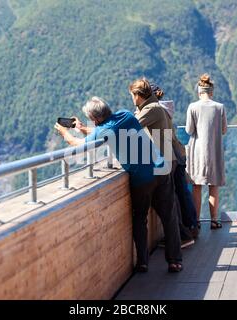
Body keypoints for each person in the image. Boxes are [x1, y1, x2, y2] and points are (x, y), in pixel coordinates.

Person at [54, 96, 183, 273]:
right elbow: (103, 132)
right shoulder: (126, 115)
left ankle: (143, 262)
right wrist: (82, 127)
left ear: (95, 118)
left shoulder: (103, 131)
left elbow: (77, 144)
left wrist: (64, 132)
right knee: (169, 217)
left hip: (141, 179)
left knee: (140, 218)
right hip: (161, 169)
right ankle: (175, 261)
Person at [129, 78, 196, 248]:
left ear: (138, 95)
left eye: (132, 95)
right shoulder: (159, 109)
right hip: (169, 158)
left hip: (164, 160)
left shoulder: (152, 110)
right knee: (171, 202)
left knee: (169, 204)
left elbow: (129, 128)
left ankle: (183, 236)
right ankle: (184, 235)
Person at [150, 83, 200, 239]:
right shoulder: (164, 110)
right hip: (177, 153)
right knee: (182, 192)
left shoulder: (155, 112)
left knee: (178, 194)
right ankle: (192, 225)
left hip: (171, 156)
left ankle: (186, 230)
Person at [185, 74, 227, 230]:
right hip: (214, 149)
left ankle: (196, 221)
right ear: (212, 91)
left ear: (199, 91)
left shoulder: (193, 107)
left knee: (197, 186)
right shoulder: (219, 107)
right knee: (213, 185)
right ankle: (214, 220)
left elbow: (189, 130)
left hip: (197, 151)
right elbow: (224, 130)